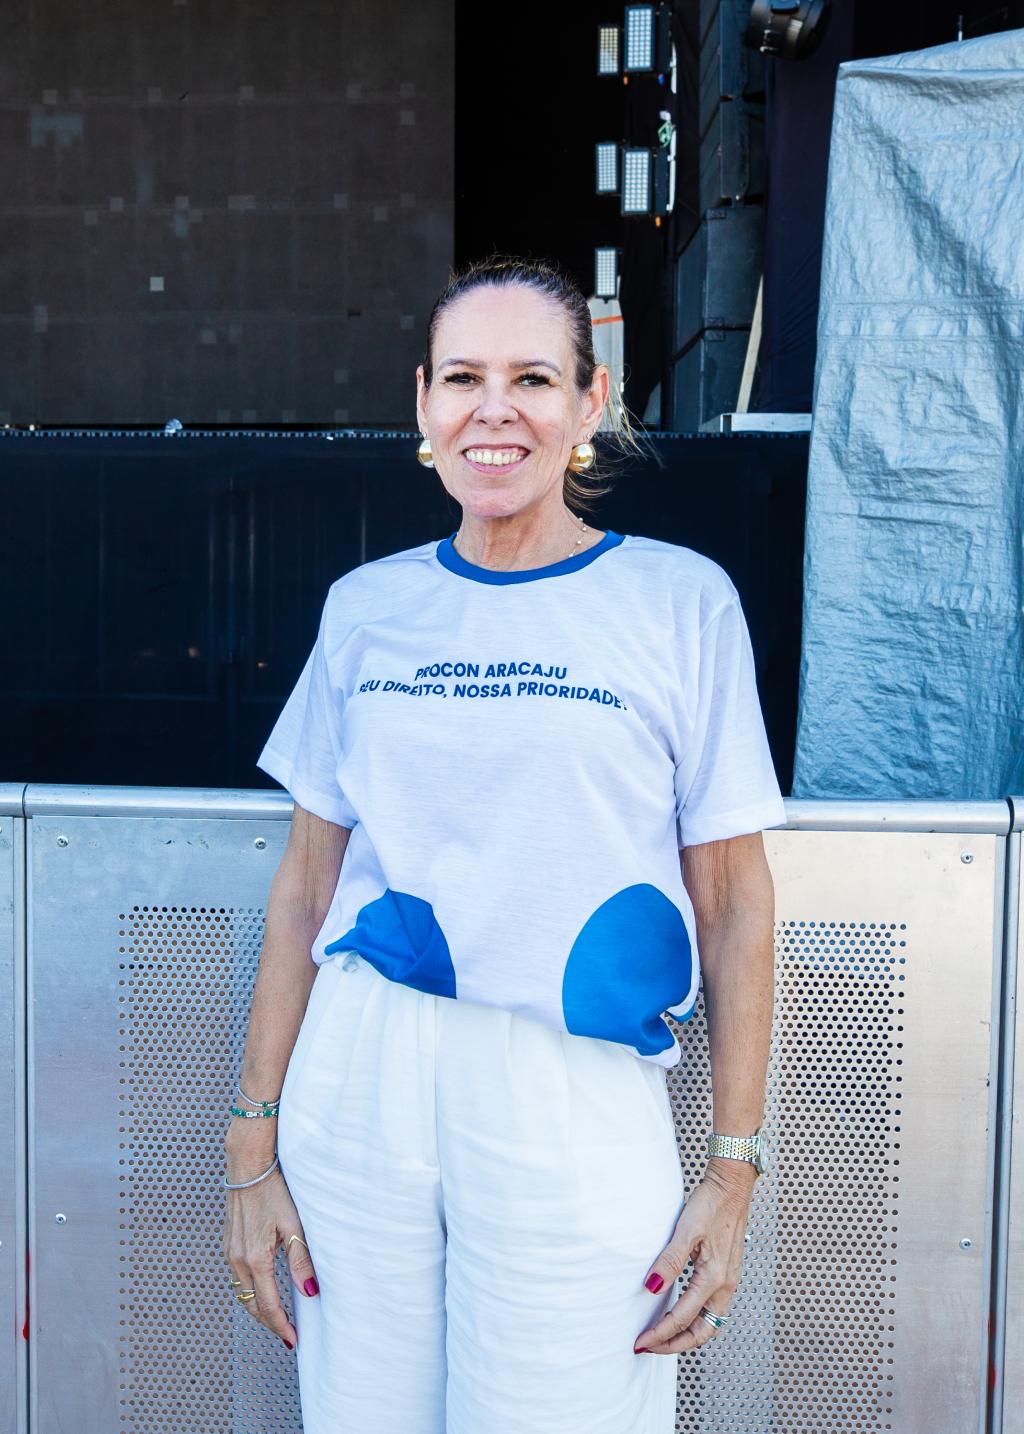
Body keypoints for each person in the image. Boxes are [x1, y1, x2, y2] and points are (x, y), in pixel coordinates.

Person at [222, 255, 786, 1433]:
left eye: (532, 378)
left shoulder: (679, 602)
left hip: (570, 1086)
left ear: (589, 402)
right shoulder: (367, 606)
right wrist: (251, 1147)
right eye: (463, 378)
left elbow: (734, 903)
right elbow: (306, 888)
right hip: (362, 1068)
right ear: (423, 403)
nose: (495, 410)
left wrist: (732, 1169)